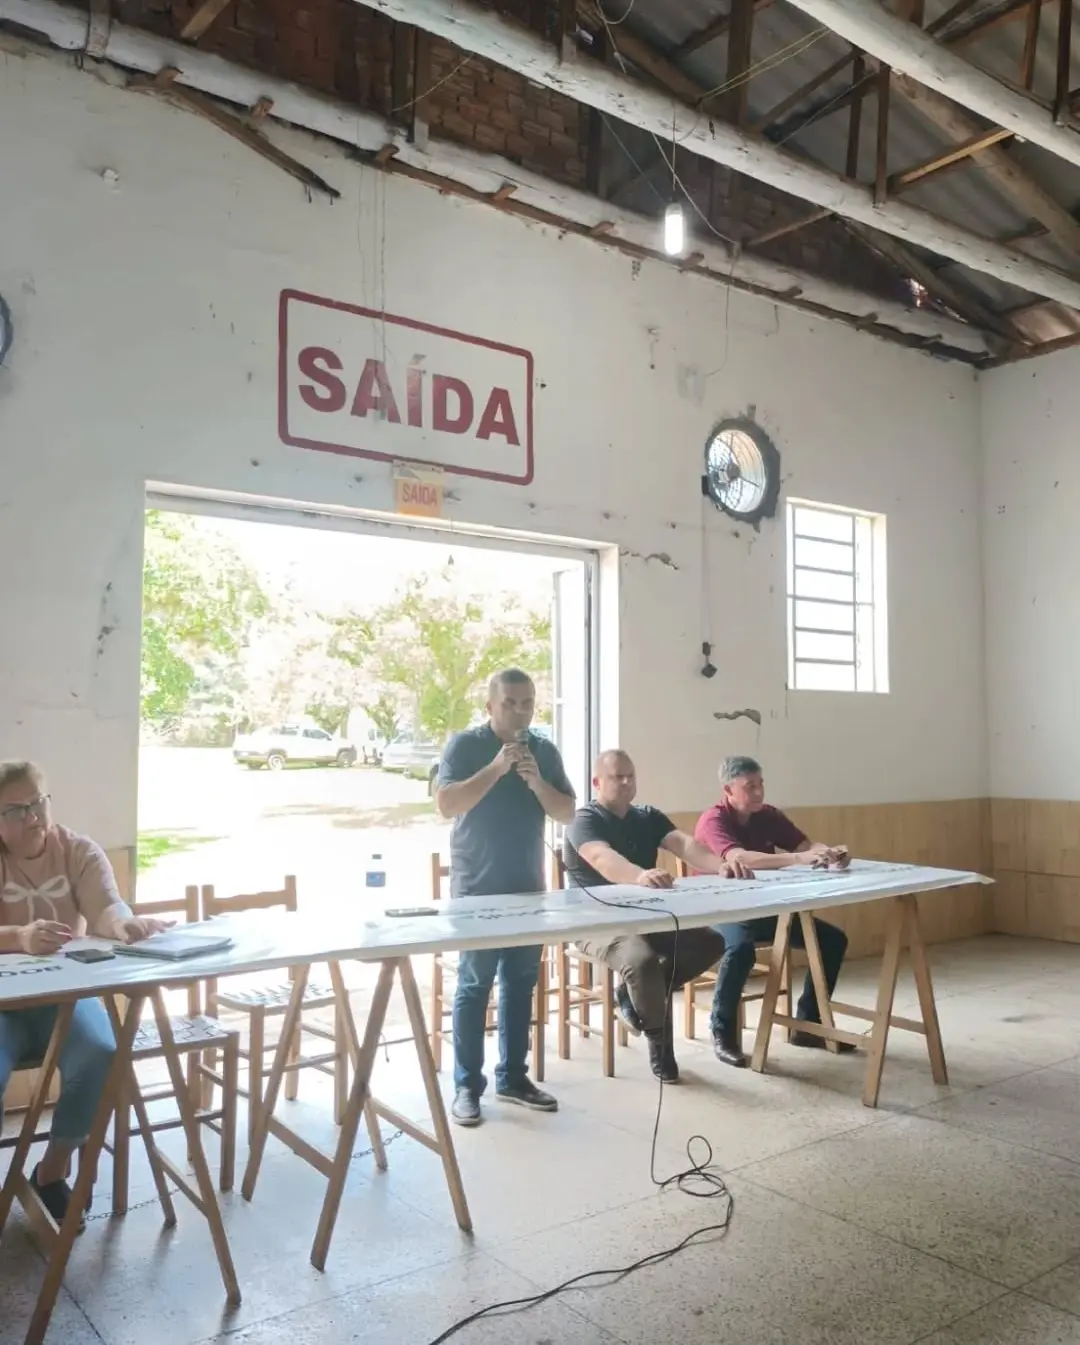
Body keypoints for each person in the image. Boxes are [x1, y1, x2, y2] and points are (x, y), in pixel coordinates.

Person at [0, 761, 168, 1225]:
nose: (32, 816)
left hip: (66, 995)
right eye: (15, 810)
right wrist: (19, 937)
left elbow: (105, 904)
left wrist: (121, 923)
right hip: (5, 1007)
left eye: (37, 803)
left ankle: (52, 1172)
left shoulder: (77, 850)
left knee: (102, 1052)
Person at [435, 670, 576, 1128]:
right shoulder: (466, 746)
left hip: (527, 886)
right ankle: (466, 1086)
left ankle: (513, 1077)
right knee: (475, 986)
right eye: (512, 703)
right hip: (477, 887)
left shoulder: (545, 750)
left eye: (529, 703)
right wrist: (497, 769)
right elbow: (447, 805)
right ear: (491, 706)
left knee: (520, 983)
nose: (521, 712)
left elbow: (568, 811)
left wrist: (537, 782)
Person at [563, 750, 749, 1084]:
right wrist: (638, 875)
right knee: (642, 962)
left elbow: (685, 843)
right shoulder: (584, 820)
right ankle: (660, 1044)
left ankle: (635, 994)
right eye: (617, 776)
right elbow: (601, 857)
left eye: (630, 776)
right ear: (596, 783)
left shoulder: (647, 816)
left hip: (648, 916)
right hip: (596, 920)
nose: (625, 782)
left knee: (710, 942)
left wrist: (719, 864)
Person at [694, 755, 853, 1068]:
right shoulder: (713, 820)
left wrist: (829, 853)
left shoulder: (768, 815)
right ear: (728, 789)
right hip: (719, 909)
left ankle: (809, 1024)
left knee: (832, 940)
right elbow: (740, 858)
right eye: (749, 786)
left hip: (764, 907)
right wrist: (798, 860)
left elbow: (805, 845)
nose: (758, 792)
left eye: (761, 784)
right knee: (740, 950)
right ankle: (722, 1031)